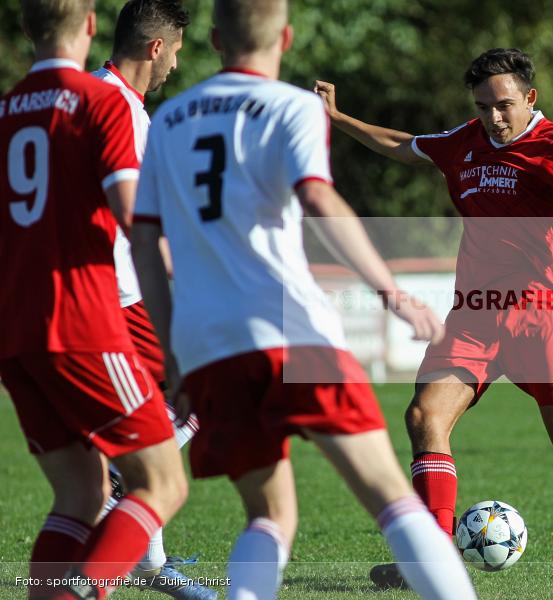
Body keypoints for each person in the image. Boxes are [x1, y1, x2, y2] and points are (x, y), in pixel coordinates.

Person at [315, 47, 553, 589]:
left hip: (540, 316)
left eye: (503, 106)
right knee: (424, 418)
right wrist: (337, 119)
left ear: (529, 98)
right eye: (482, 107)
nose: (493, 117)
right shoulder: (465, 140)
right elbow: (405, 145)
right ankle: (432, 559)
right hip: (474, 316)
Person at [130, 2, 477, 599]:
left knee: (268, 515)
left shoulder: (168, 119)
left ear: (214, 39)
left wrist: (175, 355)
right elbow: (318, 199)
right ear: (286, 38)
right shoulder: (291, 106)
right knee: (391, 498)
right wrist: (393, 294)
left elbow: (144, 242)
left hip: (210, 347)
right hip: (292, 332)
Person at [0, 2, 187, 599]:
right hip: (84, 319)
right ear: (88, 26)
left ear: (26, 28)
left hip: (16, 329)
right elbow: (135, 219)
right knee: (162, 483)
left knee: (81, 493)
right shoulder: (100, 102)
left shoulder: (5, 111)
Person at [91, 2, 216, 598]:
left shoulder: (91, 95)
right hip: (127, 290)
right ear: (157, 47)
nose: (177, 65)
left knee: (161, 409)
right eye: (178, 51)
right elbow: (135, 216)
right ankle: (123, 478)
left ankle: (149, 558)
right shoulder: (118, 107)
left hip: (98, 290)